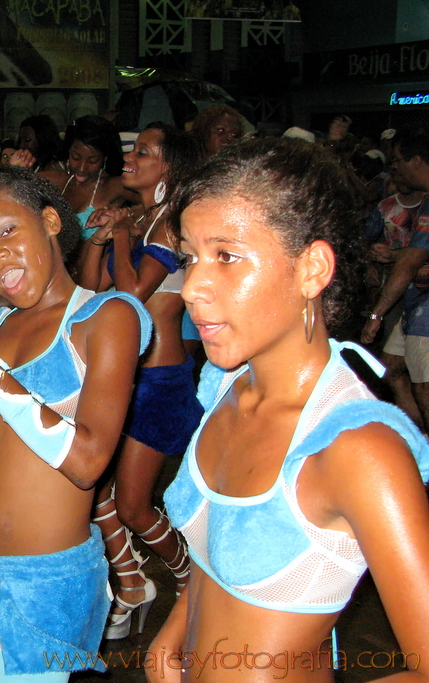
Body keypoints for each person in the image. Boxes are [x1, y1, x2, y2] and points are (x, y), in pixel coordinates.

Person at [154, 136, 429, 682]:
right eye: (190, 258)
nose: (193, 287)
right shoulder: (225, 389)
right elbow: (218, 553)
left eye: (227, 256)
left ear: (312, 269)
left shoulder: (356, 449)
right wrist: (173, 632)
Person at [0, 165, 150, 682]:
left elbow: (86, 464)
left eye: (7, 231)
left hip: (47, 582)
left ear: (52, 221)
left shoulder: (106, 318)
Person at [77, 122, 204, 640]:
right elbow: (92, 285)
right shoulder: (144, 217)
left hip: (159, 382)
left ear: (168, 167)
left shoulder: (171, 224)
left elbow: (131, 296)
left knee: (131, 503)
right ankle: (132, 583)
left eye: (144, 152)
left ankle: (189, 578)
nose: (130, 157)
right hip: (124, 379)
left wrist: (124, 232)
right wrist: (101, 236)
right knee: (92, 487)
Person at [363, 127, 429, 432]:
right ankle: (421, 442)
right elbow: (414, 254)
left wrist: (376, 313)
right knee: (390, 369)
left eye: (399, 161)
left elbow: (414, 259)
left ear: (416, 160)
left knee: (425, 387)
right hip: (414, 303)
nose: (396, 168)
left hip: (423, 307)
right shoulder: (393, 207)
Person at [61, 116, 137, 242]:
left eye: (93, 161)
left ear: (105, 157)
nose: (81, 168)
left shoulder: (114, 186)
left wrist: (125, 214)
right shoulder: (58, 180)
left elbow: (157, 204)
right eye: (75, 158)